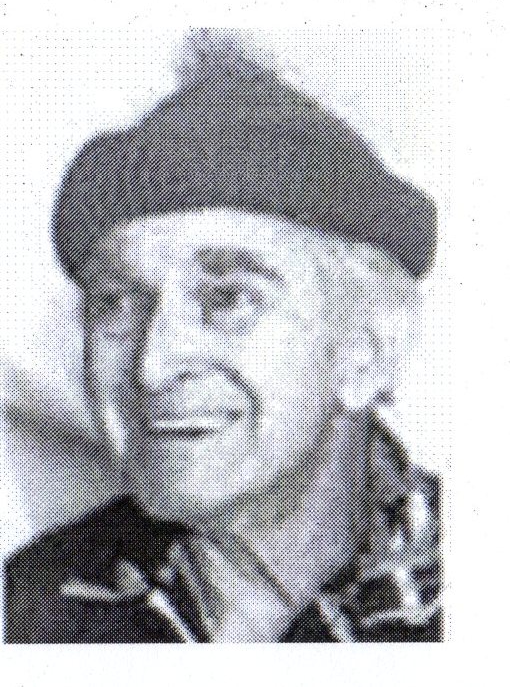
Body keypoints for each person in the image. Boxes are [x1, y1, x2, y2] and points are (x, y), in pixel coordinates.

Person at [4, 32, 441, 643]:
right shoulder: (34, 604)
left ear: (367, 350)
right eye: (117, 305)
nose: (152, 365)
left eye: (226, 299)